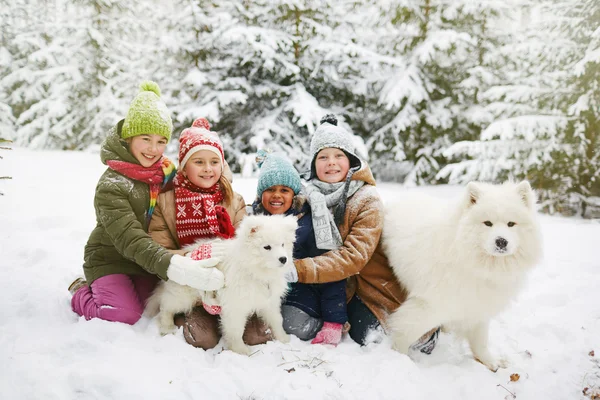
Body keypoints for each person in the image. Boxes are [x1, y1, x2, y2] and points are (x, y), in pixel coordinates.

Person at [69, 82, 224, 325]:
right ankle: (80, 292)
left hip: (145, 261)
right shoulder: (112, 185)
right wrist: (175, 265)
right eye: (145, 138)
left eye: (161, 141)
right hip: (110, 258)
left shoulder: (166, 173)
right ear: (128, 136)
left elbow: (199, 180)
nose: (154, 149)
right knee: (124, 314)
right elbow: (130, 238)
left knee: (150, 306)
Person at [283, 114, 439, 351]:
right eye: (323, 156)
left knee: (372, 337)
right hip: (336, 285)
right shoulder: (310, 196)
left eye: (339, 156)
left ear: (351, 161)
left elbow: (353, 257)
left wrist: (299, 270)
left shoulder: (367, 199)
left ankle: (429, 330)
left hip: (370, 287)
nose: (331, 163)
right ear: (314, 163)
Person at [148, 118, 270, 349]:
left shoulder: (234, 200)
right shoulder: (166, 202)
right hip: (190, 284)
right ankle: (186, 313)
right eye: (199, 162)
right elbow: (159, 252)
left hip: (233, 282)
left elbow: (248, 247)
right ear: (184, 165)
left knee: (255, 336)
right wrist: (196, 260)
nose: (208, 168)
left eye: (214, 161)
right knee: (204, 339)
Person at [251, 150, 348, 345]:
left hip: (303, 292)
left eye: (284, 190)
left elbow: (331, 272)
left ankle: (318, 324)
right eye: (270, 190)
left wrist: (334, 321)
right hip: (266, 293)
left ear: (294, 195)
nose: (276, 195)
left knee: (291, 324)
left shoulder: (309, 224)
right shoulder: (254, 222)